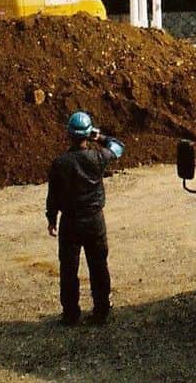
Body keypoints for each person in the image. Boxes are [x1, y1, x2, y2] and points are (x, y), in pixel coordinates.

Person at [46, 111, 124, 325]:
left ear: (69, 135)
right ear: (87, 134)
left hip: (70, 222)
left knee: (68, 268)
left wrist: (51, 218)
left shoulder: (60, 163)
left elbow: (53, 195)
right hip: (94, 220)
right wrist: (99, 137)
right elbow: (118, 146)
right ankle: (101, 311)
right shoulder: (98, 157)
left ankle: (70, 314)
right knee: (98, 265)